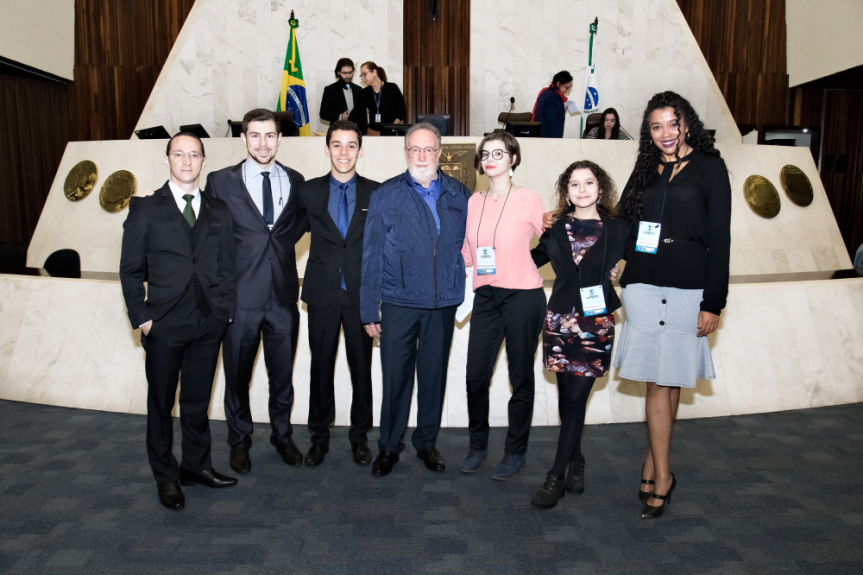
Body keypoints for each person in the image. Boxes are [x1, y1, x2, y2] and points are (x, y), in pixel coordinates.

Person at [615, 91, 731, 519]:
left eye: (672, 123)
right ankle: (662, 472)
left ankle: (656, 468)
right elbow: (623, 220)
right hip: (644, 286)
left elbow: (721, 240)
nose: (665, 134)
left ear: (687, 124)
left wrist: (713, 302)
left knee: (671, 379)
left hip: (688, 286)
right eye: (656, 127)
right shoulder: (646, 169)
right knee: (656, 381)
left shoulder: (710, 168)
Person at [119, 132, 238, 510]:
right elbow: (131, 270)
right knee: (161, 404)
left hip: (209, 321)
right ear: (167, 159)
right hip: (164, 323)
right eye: (179, 154)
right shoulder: (145, 208)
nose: (187, 161)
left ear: (203, 161)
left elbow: (227, 266)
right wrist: (143, 318)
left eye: (194, 155)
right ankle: (166, 476)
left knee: (197, 401)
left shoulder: (219, 209)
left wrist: (226, 309)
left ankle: (196, 466)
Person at [360, 122, 470, 476]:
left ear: (439, 153)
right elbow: (372, 254)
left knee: (433, 377)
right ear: (405, 152)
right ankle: (389, 448)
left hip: (442, 303)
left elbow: (473, 245)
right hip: (398, 302)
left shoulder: (459, 194)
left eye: (428, 149)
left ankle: (427, 443)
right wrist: (368, 308)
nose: (421, 156)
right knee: (395, 378)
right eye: (414, 150)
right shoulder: (386, 194)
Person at [203, 108, 307, 474]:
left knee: (283, 377)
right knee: (237, 377)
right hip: (239, 300)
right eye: (255, 135)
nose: (263, 143)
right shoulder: (220, 181)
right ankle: (239, 441)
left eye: (270, 136)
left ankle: (282, 436)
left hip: (282, 298)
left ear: (279, 139)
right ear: (244, 138)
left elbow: (291, 230)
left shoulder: (296, 180)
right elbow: (208, 238)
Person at [528, 161, 628, 509]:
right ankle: (577, 458)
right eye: (574, 184)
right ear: (565, 190)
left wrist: (619, 271)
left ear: (601, 188)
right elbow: (532, 259)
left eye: (589, 182)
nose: (582, 189)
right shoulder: (555, 227)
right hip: (558, 320)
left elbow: (642, 259)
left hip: (595, 323)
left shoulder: (618, 228)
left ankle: (555, 475)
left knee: (575, 398)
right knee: (566, 394)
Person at [459, 132, 546, 480]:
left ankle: (515, 452)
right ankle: (478, 446)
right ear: (480, 162)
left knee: (519, 377)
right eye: (485, 153)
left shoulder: (528, 198)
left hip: (523, 296)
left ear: (513, 158)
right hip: (486, 298)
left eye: (499, 152)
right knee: (475, 377)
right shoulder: (473, 202)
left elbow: (553, 242)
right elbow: (467, 252)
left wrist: (526, 261)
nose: (491, 158)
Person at [294, 120, 379, 467]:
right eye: (337, 145)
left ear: (360, 149)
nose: (344, 152)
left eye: (351, 145)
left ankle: (360, 438)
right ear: (326, 148)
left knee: (363, 371)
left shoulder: (377, 192)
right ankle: (319, 437)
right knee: (320, 369)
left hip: (361, 298)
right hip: (322, 295)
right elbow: (281, 234)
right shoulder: (309, 192)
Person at [319, 58, 368, 134]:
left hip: (356, 133)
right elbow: (323, 114)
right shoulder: (330, 90)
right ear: (338, 72)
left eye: (350, 72)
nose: (348, 76)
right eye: (344, 73)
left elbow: (363, 116)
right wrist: (340, 117)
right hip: (337, 133)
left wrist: (365, 135)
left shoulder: (359, 89)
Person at [359, 61, 406, 134]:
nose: (363, 78)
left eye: (364, 74)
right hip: (373, 132)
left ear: (374, 72)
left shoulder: (392, 88)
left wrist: (393, 127)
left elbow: (401, 110)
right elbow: (356, 113)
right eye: (361, 75)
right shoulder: (364, 92)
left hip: (391, 132)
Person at [532, 71, 573, 138]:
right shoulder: (552, 96)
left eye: (570, 87)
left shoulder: (547, 92)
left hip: (545, 136)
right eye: (567, 87)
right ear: (558, 84)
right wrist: (557, 139)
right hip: (549, 137)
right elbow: (551, 121)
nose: (568, 90)